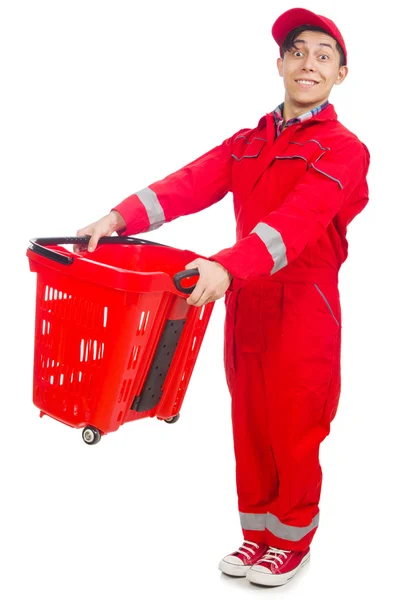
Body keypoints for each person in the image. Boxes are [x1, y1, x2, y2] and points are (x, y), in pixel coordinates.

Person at [75, 8, 370, 587]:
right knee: (251, 424)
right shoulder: (249, 142)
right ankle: (258, 535)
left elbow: (297, 222)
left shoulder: (343, 149)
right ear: (280, 64)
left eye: (323, 55)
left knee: (295, 427)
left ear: (341, 75)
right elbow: (190, 182)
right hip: (243, 302)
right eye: (298, 52)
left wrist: (227, 267)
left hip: (302, 307)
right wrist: (118, 218)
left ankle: (293, 539)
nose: (308, 62)